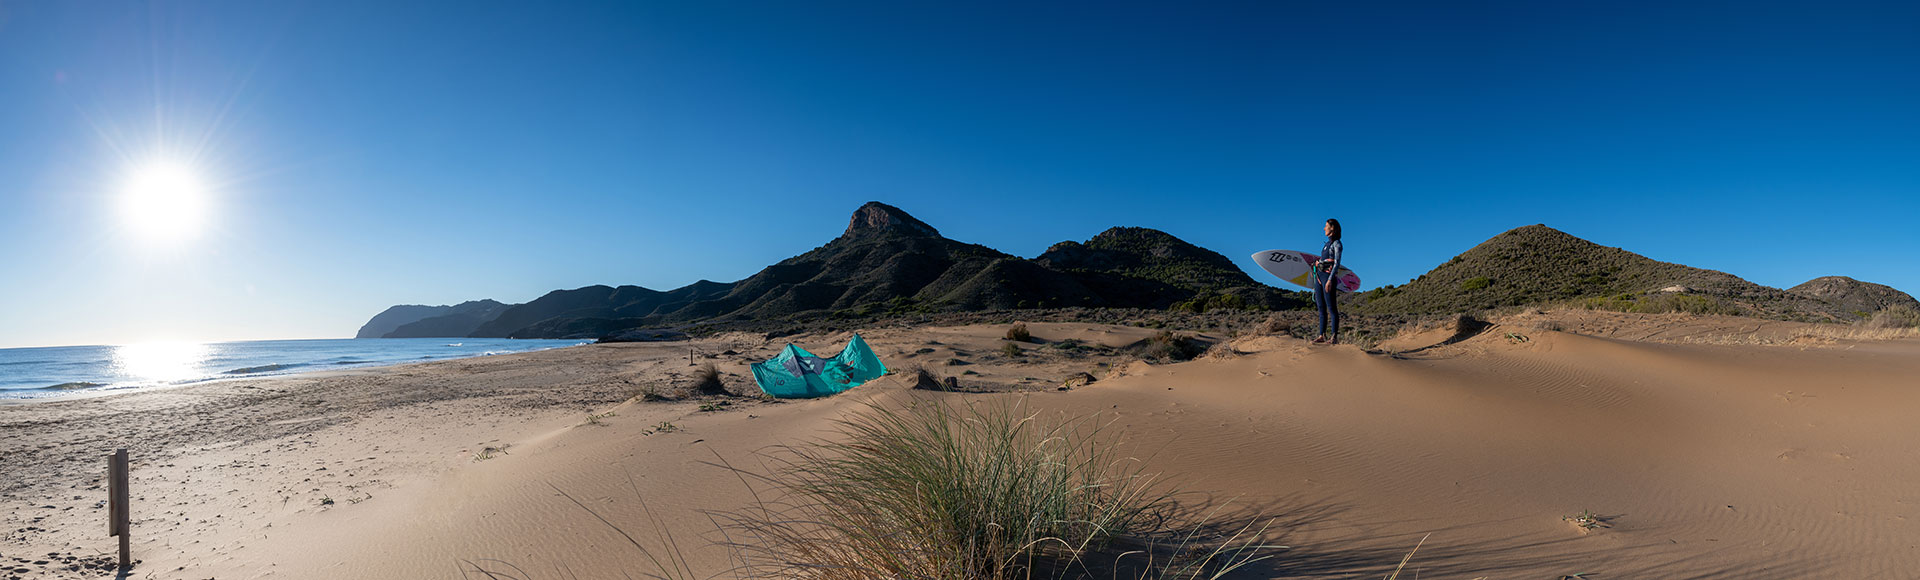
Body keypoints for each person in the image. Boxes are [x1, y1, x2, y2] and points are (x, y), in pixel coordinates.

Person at [1313, 218, 1343, 344]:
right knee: (1321, 308)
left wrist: (1330, 280)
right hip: (1319, 277)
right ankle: (1321, 336)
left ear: (1332, 228)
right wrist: (1317, 263)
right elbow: (1325, 260)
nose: (1324, 228)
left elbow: (1337, 263)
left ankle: (1334, 337)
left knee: (1331, 308)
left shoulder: (1337, 244)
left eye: (1326, 226)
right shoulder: (1326, 245)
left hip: (1327, 278)